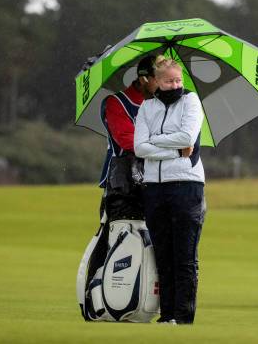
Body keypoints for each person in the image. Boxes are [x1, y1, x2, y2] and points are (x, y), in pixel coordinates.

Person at [134, 55, 205, 325]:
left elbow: (189, 137)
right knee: (163, 254)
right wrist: (173, 150)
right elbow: (139, 147)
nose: (175, 84)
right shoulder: (146, 107)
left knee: (184, 255)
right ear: (156, 82)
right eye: (168, 80)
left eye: (178, 79)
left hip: (187, 184)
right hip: (154, 187)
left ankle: (183, 317)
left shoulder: (191, 100)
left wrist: (156, 143)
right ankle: (167, 315)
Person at [98, 55, 159, 222]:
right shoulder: (117, 102)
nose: (163, 83)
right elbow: (127, 139)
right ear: (144, 79)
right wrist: (167, 147)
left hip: (156, 178)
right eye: (159, 78)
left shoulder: (162, 104)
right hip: (123, 181)